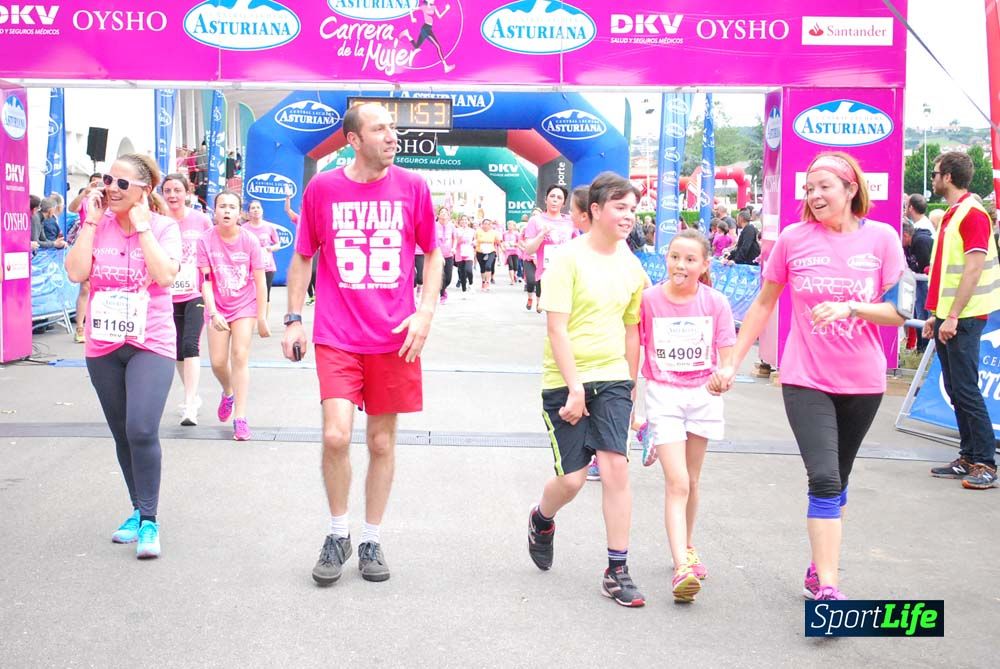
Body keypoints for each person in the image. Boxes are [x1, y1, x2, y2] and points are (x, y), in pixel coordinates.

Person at [709, 152, 907, 601]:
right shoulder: (794, 239)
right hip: (805, 377)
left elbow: (899, 312)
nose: (815, 196)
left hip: (864, 380)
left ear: (851, 188)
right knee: (823, 479)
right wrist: (732, 361)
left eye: (825, 187)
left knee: (839, 476)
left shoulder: (882, 239)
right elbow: (763, 303)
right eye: (809, 188)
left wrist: (851, 306)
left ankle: (820, 564)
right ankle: (830, 589)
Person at [281, 102, 442, 586]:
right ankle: (338, 532)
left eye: (393, 128)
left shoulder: (413, 187)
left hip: (393, 336)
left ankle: (371, 538)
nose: (392, 136)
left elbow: (432, 253)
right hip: (337, 334)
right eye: (380, 128)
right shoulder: (323, 188)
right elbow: (302, 256)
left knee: (379, 441)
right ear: (354, 140)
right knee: (335, 435)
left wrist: (426, 311)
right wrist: (293, 319)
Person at [526, 172, 648, 607]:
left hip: (613, 376)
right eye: (620, 207)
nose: (629, 216)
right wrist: (575, 388)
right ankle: (542, 518)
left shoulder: (632, 264)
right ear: (595, 210)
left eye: (633, 209)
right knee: (574, 480)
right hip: (565, 379)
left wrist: (631, 388)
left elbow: (633, 329)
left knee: (616, 469)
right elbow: (556, 329)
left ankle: (617, 570)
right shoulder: (567, 259)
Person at [64, 154, 181, 560]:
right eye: (109, 180)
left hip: (151, 341)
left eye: (122, 183)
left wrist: (145, 228)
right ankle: (138, 509)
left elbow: (166, 276)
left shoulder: (165, 227)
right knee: (121, 432)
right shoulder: (97, 225)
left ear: (144, 191)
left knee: (142, 428)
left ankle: (150, 521)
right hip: (104, 345)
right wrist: (92, 223)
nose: (112, 188)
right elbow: (76, 273)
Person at [639, 229, 736, 603]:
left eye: (690, 259)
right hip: (663, 395)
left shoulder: (716, 303)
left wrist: (724, 376)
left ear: (704, 265)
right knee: (676, 482)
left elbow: (726, 357)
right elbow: (637, 350)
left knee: (692, 481)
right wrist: (635, 406)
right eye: (675, 257)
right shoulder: (648, 300)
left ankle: (688, 546)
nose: (681, 265)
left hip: (702, 396)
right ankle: (681, 567)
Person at [925, 152, 1000, 489]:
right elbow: (943, 270)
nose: (932, 179)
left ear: (949, 177)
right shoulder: (955, 214)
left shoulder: (971, 215)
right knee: (957, 389)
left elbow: (972, 269)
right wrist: (935, 314)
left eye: (935, 173)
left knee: (966, 389)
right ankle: (969, 456)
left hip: (966, 316)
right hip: (952, 315)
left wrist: (952, 315)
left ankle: (985, 461)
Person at [197, 190, 270, 441]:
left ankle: (240, 418)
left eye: (231, 207)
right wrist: (213, 311)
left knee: (239, 355)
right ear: (214, 212)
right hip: (217, 305)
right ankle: (228, 391)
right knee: (218, 362)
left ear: (239, 213)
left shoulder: (250, 241)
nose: (226, 211)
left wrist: (262, 317)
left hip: (244, 304)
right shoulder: (205, 240)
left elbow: (260, 282)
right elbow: (205, 281)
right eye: (222, 206)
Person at [162, 173, 213, 426]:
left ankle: (190, 403)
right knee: (178, 351)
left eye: (177, 190)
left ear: (187, 192)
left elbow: (212, 252)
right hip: (167, 294)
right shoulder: (158, 222)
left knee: (191, 345)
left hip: (195, 292)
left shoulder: (201, 220)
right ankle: (192, 394)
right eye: (168, 190)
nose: (172, 195)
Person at [523, 185, 574, 313]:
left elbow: (578, 245)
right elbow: (528, 250)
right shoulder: (536, 221)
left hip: (567, 273)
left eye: (559, 197)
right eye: (552, 196)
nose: (555, 200)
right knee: (552, 313)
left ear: (564, 203)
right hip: (546, 274)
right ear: (546, 200)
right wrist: (541, 235)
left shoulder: (570, 221)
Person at [245, 199, 281, 320]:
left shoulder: (269, 227)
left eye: (258, 208)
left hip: (267, 266)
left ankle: (263, 320)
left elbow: (278, 244)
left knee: (265, 294)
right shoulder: (244, 229)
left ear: (262, 210)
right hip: (250, 268)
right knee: (250, 295)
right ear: (249, 212)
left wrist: (269, 249)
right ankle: (250, 319)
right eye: (253, 208)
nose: (255, 210)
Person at [406, 0, 455, 73]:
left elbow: (440, 16)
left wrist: (446, 10)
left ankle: (407, 34)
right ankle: (445, 66)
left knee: (416, 46)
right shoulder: (423, 7)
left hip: (428, 29)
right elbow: (411, 9)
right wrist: (412, 18)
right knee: (438, 47)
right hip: (425, 29)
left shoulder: (434, 7)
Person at [435, 207, 455, 304]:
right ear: (438, 215)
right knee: (440, 275)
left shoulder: (451, 226)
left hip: (449, 254)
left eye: (445, 213)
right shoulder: (434, 226)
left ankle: (442, 289)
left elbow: (455, 238)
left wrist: (454, 247)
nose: (443, 214)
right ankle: (442, 294)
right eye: (441, 212)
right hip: (437, 254)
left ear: (448, 216)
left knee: (448, 278)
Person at [475, 219, 501, 291]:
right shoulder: (478, 231)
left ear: (490, 225)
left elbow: (498, 241)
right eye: (485, 224)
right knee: (482, 267)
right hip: (480, 251)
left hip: (491, 251)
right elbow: (474, 240)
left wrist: (502, 248)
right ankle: (483, 281)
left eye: (488, 224)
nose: (486, 225)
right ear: (482, 224)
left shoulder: (494, 233)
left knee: (488, 266)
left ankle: (487, 282)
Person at [453, 214, 475, 294]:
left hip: (468, 251)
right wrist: (459, 239)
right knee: (461, 272)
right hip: (459, 252)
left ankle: (471, 283)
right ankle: (464, 290)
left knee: (468, 270)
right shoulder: (456, 230)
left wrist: (474, 243)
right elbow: (455, 241)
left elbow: (475, 240)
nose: (464, 221)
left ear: (468, 221)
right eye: (462, 220)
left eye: (466, 220)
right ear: (460, 221)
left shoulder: (472, 231)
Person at [503, 221, 521, 285]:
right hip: (508, 251)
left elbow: (519, 242)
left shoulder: (517, 234)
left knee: (515, 266)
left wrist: (514, 244)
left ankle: (515, 274)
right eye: (509, 225)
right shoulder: (504, 233)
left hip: (515, 251)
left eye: (511, 225)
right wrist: (503, 247)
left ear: (514, 226)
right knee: (510, 265)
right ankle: (512, 280)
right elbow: (502, 241)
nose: (510, 227)